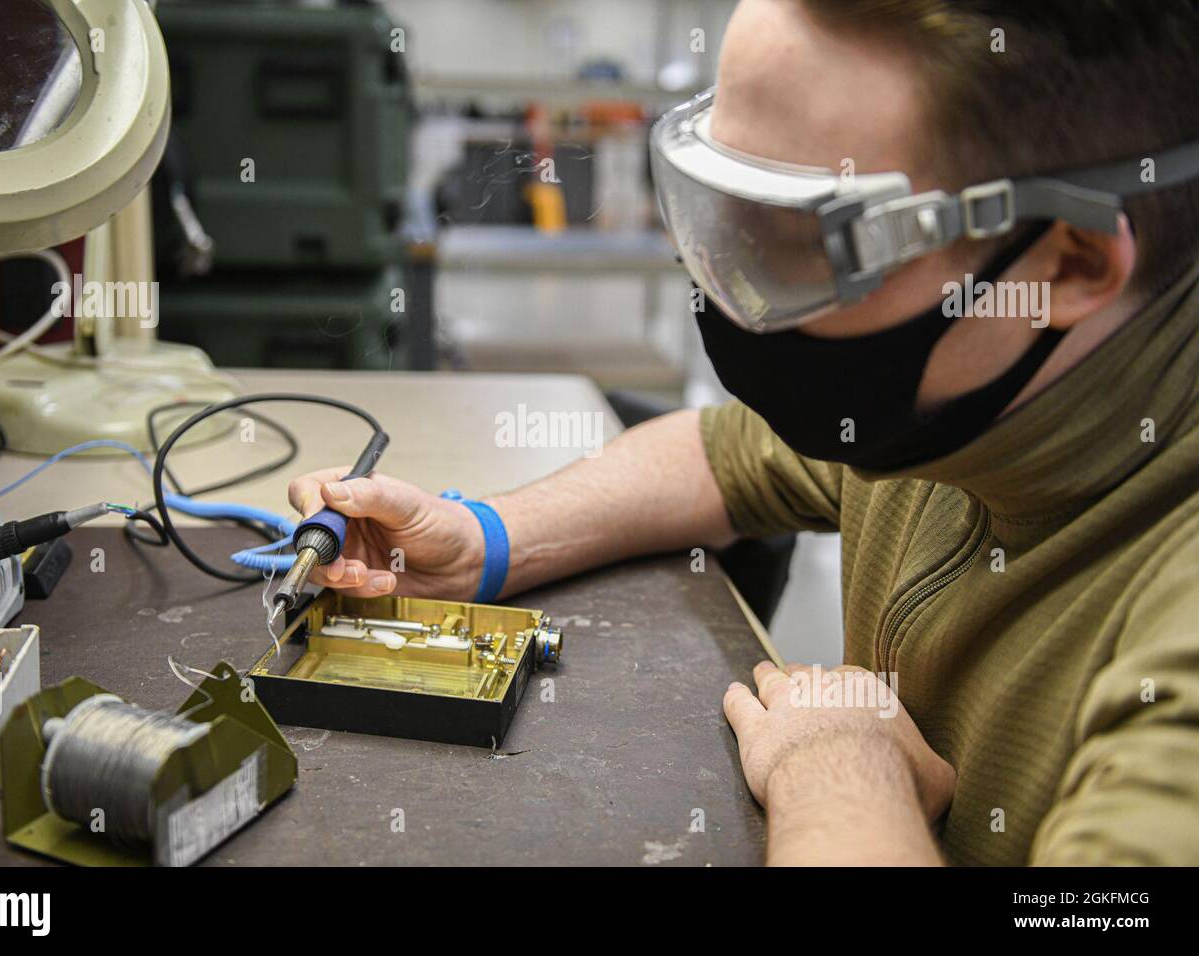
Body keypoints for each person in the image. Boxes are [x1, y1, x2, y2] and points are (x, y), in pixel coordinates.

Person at [287, 0, 1199, 865]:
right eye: (721, 210)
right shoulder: (977, 390)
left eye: (808, 241)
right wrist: (487, 540)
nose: (735, 292)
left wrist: (841, 779)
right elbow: (730, 457)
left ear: (1068, 262)